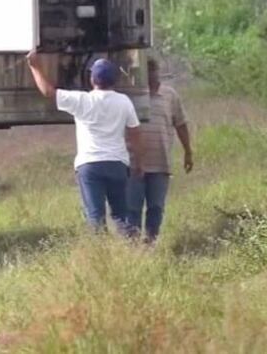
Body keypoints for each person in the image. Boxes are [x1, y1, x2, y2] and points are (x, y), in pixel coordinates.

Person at [26, 50, 141, 234]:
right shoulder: (124, 102)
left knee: (95, 216)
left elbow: (48, 92)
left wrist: (35, 67)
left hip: (90, 165)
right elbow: (135, 133)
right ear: (114, 80)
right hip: (117, 164)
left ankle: (99, 249)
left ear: (92, 79)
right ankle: (129, 246)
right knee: (121, 215)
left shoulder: (81, 100)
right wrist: (138, 163)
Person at [126, 58, 193, 243]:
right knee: (132, 207)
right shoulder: (130, 96)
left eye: (153, 71)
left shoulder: (169, 95)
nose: (150, 76)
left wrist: (188, 151)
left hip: (160, 162)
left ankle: (150, 243)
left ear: (158, 72)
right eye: (145, 72)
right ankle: (131, 246)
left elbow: (180, 124)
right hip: (133, 163)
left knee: (156, 207)